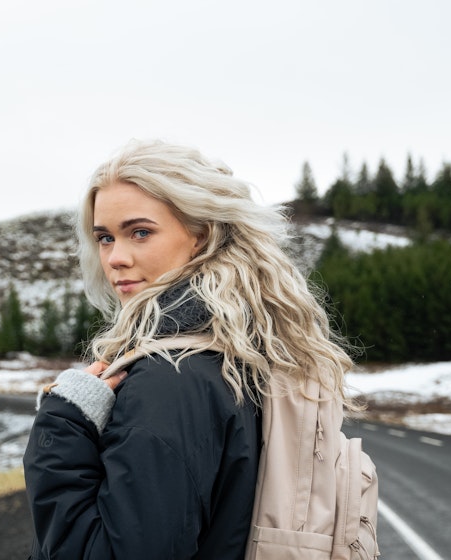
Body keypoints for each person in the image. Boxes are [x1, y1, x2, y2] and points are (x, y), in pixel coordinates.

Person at [23, 140, 357, 559]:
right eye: (104, 238)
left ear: (201, 234)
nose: (115, 258)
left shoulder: (172, 378)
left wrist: (61, 424)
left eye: (140, 232)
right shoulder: (242, 354)